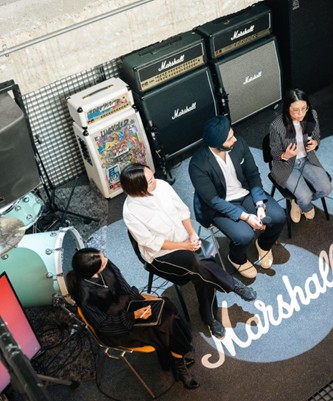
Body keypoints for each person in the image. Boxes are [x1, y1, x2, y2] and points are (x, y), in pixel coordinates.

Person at [120, 163, 257, 339]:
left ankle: (209, 318)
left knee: (202, 269)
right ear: (138, 188)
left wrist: (192, 235)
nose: (155, 180)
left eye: (152, 176)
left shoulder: (161, 186)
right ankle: (232, 285)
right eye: (150, 180)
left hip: (186, 239)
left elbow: (182, 211)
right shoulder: (130, 212)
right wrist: (185, 246)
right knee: (198, 262)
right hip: (162, 255)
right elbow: (152, 243)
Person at [66, 248, 199, 389]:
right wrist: (133, 316)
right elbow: (103, 325)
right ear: (92, 271)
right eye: (102, 262)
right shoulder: (84, 294)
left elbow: (124, 286)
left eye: (103, 256)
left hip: (130, 306)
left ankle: (174, 359)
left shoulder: (105, 263)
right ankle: (179, 365)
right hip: (117, 327)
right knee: (167, 323)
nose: (106, 260)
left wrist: (141, 304)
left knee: (167, 307)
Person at [189, 116, 286, 279]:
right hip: (220, 204)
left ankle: (263, 245)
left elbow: (253, 174)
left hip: (245, 192)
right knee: (244, 236)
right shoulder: (198, 164)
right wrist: (246, 217)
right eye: (229, 138)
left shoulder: (238, 143)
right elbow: (213, 201)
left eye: (232, 134)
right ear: (217, 143)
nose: (234, 139)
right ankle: (236, 258)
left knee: (278, 217)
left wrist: (260, 205)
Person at [268, 88, 332, 223]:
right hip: (285, 165)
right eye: (296, 110)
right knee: (305, 197)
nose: (301, 114)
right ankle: (303, 204)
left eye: (304, 108)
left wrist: (316, 143)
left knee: (326, 189)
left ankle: (298, 201)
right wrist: (285, 155)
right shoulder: (276, 126)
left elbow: (316, 135)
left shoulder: (312, 114)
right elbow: (274, 153)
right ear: (287, 109)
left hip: (307, 160)